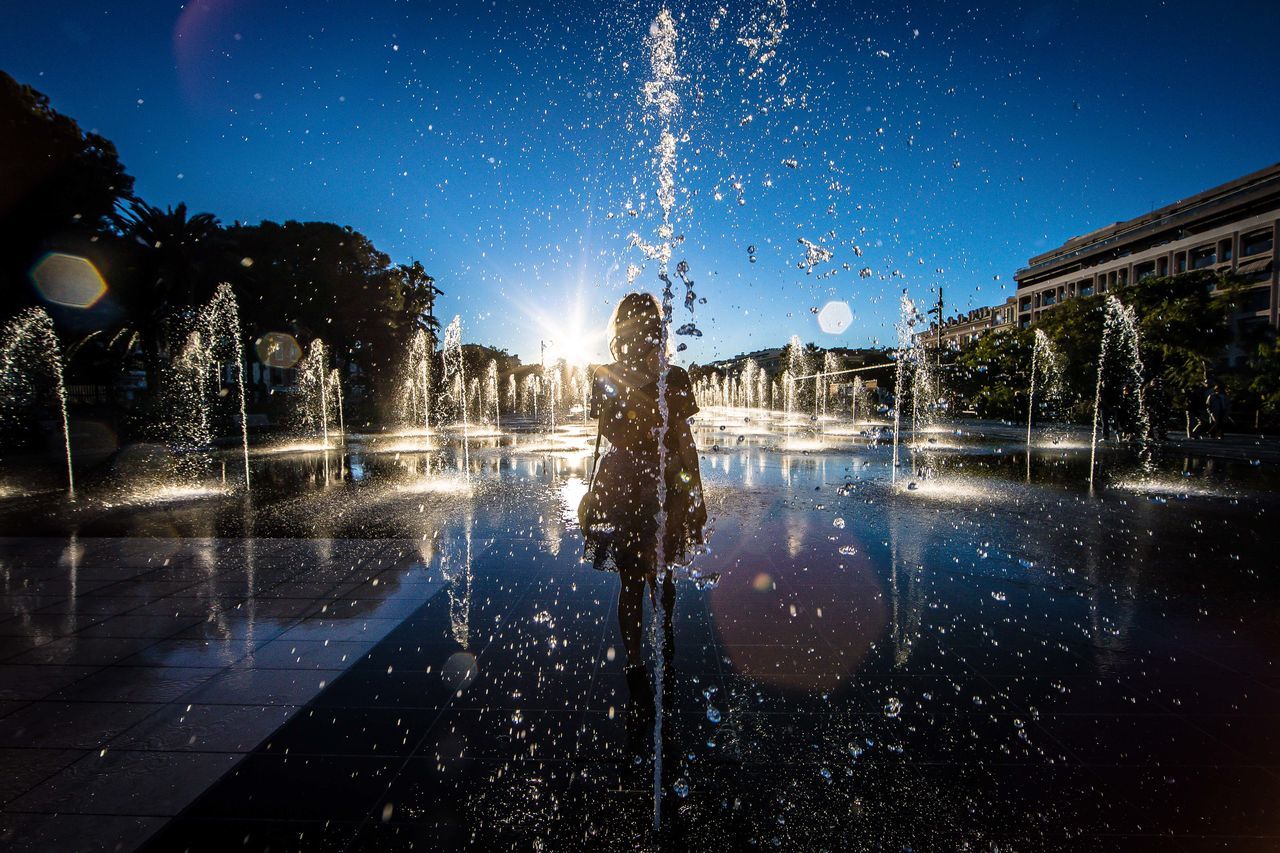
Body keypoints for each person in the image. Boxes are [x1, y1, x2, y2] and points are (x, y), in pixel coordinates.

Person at [579, 292, 706, 701]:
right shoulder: (675, 376)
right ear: (656, 325)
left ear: (620, 327)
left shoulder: (604, 374)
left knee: (631, 580)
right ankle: (663, 632)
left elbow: (602, 439)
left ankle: (635, 660)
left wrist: (591, 488)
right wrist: (696, 494)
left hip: (619, 485)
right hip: (663, 482)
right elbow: (685, 444)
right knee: (661, 570)